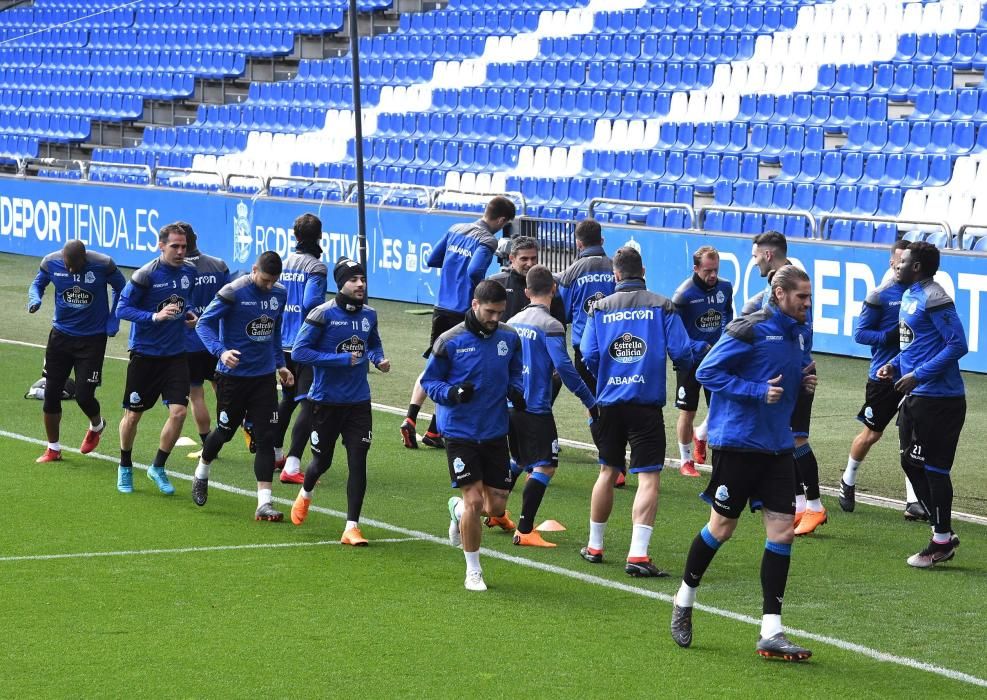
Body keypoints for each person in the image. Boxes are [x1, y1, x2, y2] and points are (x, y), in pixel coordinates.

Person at [670, 265, 816, 661]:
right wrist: (754, 390)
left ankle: (771, 630)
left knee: (783, 532)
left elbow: (788, 370)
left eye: (809, 296)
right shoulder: (748, 328)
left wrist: (803, 381)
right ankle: (684, 599)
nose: (808, 303)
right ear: (780, 293)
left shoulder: (799, 333)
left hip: (777, 446)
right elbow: (707, 371)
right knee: (722, 527)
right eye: (801, 296)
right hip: (738, 443)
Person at [577, 246, 694, 577]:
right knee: (648, 477)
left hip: (609, 401)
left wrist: (609, 372)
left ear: (616, 275)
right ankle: (638, 555)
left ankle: (595, 546)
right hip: (645, 403)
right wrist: (675, 365)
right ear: (643, 272)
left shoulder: (598, 307)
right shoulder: (661, 305)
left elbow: (588, 352)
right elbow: (682, 351)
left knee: (607, 471)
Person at [423, 279, 523, 591]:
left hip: (494, 430)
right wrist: (452, 392)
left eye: (500, 312)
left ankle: (455, 510)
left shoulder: (509, 336)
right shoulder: (449, 340)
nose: (496, 318)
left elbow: (516, 372)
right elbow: (430, 382)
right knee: (475, 500)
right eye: (490, 312)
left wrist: (517, 391)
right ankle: (473, 570)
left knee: (496, 508)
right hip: (459, 431)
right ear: (475, 305)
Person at [876, 242, 967, 568]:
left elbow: (958, 345)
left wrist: (917, 375)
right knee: (909, 462)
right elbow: (916, 345)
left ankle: (940, 541)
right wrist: (897, 365)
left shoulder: (935, 298)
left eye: (902, 262)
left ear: (916, 267)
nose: (896, 266)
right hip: (917, 396)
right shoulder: (910, 296)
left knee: (934, 468)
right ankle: (942, 531)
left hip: (941, 400)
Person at [289, 258, 390, 546]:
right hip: (326, 402)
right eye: (353, 279)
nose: (360, 284)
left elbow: (373, 342)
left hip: (359, 402)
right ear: (340, 283)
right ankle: (306, 493)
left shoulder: (369, 314)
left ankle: (351, 526)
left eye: (362, 279)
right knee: (322, 462)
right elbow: (299, 353)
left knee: (358, 462)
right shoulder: (322, 314)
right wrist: (341, 359)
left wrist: (378, 358)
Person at [401, 196, 515, 450]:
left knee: (435, 364)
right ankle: (434, 431)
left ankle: (411, 416)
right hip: (465, 310)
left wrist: (454, 265)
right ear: (502, 220)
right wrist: (481, 294)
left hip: (441, 306)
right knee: (458, 370)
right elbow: (475, 271)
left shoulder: (456, 229)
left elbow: (432, 259)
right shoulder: (487, 240)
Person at [192, 252, 293, 520]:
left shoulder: (279, 294)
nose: (270, 285)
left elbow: (274, 330)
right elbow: (204, 324)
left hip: (263, 379)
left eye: (274, 280)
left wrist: (281, 365)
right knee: (225, 432)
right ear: (254, 269)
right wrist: (221, 351)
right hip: (232, 378)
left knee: (266, 438)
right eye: (266, 279)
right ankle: (202, 471)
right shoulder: (233, 291)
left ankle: (264, 503)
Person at [507, 265, 596, 547]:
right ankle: (525, 529)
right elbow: (565, 368)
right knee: (545, 466)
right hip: (536, 407)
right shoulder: (552, 325)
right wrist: (589, 400)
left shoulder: (511, 321)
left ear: (526, 292)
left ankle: (496, 513)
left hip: (511, 404)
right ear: (554, 289)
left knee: (520, 460)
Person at [747, 232, 824, 535]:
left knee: (796, 440)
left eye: (755, 256)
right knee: (785, 438)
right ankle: (801, 504)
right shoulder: (777, 285)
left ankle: (815, 506)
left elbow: (791, 328)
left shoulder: (790, 287)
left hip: (797, 372)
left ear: (768, 254)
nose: (754, 263)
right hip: (789, 369)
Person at [840, 241, 925, 516]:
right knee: (872, 434)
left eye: (909, 261)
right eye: (900, 260)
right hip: (883, 376)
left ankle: (913, 501)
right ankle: (847, 480)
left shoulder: (923, 294)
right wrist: (888, 336)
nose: (904, 265)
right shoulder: (880, 295)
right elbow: (860, 334)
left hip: (914, 375)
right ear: (892, 263)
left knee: (912, 436)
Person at [115, 223, 198, 495]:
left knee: (180, 412)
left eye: (184, 246)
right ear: (161, 245)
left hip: (175, 354)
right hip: (145, 355)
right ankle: (125, 465)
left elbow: (184, 302)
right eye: (174, 246)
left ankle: (158, 467)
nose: (180, 251)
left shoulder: (189, 272)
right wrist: (154, 317)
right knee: (133, 416)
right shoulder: (145, 275)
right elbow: (122, 309)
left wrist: (188, 316)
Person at [27, 240, 126, 462]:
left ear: (85, 259)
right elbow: (37, 284)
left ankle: (97, 425)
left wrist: (113, 318)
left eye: (76, 266)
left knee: (83, 395)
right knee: (51, 393)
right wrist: (35, 298)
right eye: (68, 266)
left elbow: (122, 289)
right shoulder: (50, 262)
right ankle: (53, 449)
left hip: (92, 340)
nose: (71, 270)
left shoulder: (103, 264)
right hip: (60, 337)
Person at [556, 218, 620, 484]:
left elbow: (565, 312)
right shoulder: (617, 268)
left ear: (578, 243)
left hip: (585, 348)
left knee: (593, 403)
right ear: (602, 241)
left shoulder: (572, 272)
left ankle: (609, 461)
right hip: (616, 346)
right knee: (616, 400)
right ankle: (620, 465)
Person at [274, 213, 328, 484]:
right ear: (319, 236)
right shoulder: (316, 267)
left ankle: (275, 453)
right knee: (308, 402)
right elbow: (311, 303)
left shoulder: (282, 263)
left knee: (288, 399)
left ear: (295, 236)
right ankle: (293, 465)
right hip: (304, 344)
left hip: (281, 342)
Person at [671, 245, 734, 477]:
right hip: (690, 361)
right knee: (688, 411)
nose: (713, 275)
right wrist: (698, 345)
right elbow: (674, 331)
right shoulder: (683, 295)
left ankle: (705, 439)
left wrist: (727, 338)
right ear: (696, 268)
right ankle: (686, 460)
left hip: (716, 360)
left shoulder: (725, 288)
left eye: (716, 269)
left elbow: (728, 314)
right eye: (708, 270)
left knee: (720, 407)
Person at [181, 223, 231, 449]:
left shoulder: (178, 269)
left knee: (196, 395)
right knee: (222, 389)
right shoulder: (218, 265)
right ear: (197, 238)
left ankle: (207, 442)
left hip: (190, 342)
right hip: (215, 339)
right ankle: (242, 429)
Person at [488, 236, 566, 324]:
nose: (529, 264)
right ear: (512, 258)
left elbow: (559, 321)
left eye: (533, 258)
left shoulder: (548, 283)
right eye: (524, 259)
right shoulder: (496, 283)